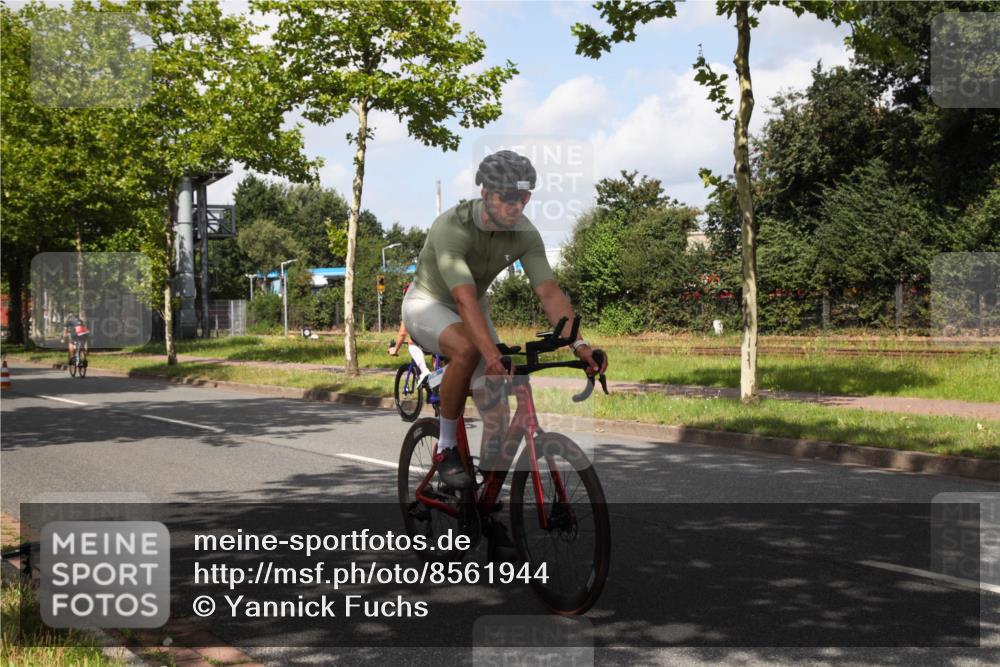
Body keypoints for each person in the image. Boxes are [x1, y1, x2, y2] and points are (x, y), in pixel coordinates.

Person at [402, 150, 608, 490]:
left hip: (473, 307)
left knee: (496, 415)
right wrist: (492, 355)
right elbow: (462, 298)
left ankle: (486, 501)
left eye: (524, 198)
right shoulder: (453, 227)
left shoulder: (524, 233)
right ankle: (447, 447)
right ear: (485, 193)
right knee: (468, 350)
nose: (517, 205)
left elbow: (550, 293)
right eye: (508, 197)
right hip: (429, 302)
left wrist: (580, 345)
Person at [388, 284, 432, 385]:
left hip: (429, 339)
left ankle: (424, 371)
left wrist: (395, 349)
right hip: (444, 336)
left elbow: (403, 333)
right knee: (437, 358)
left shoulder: (409, 308)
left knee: (412, 343)